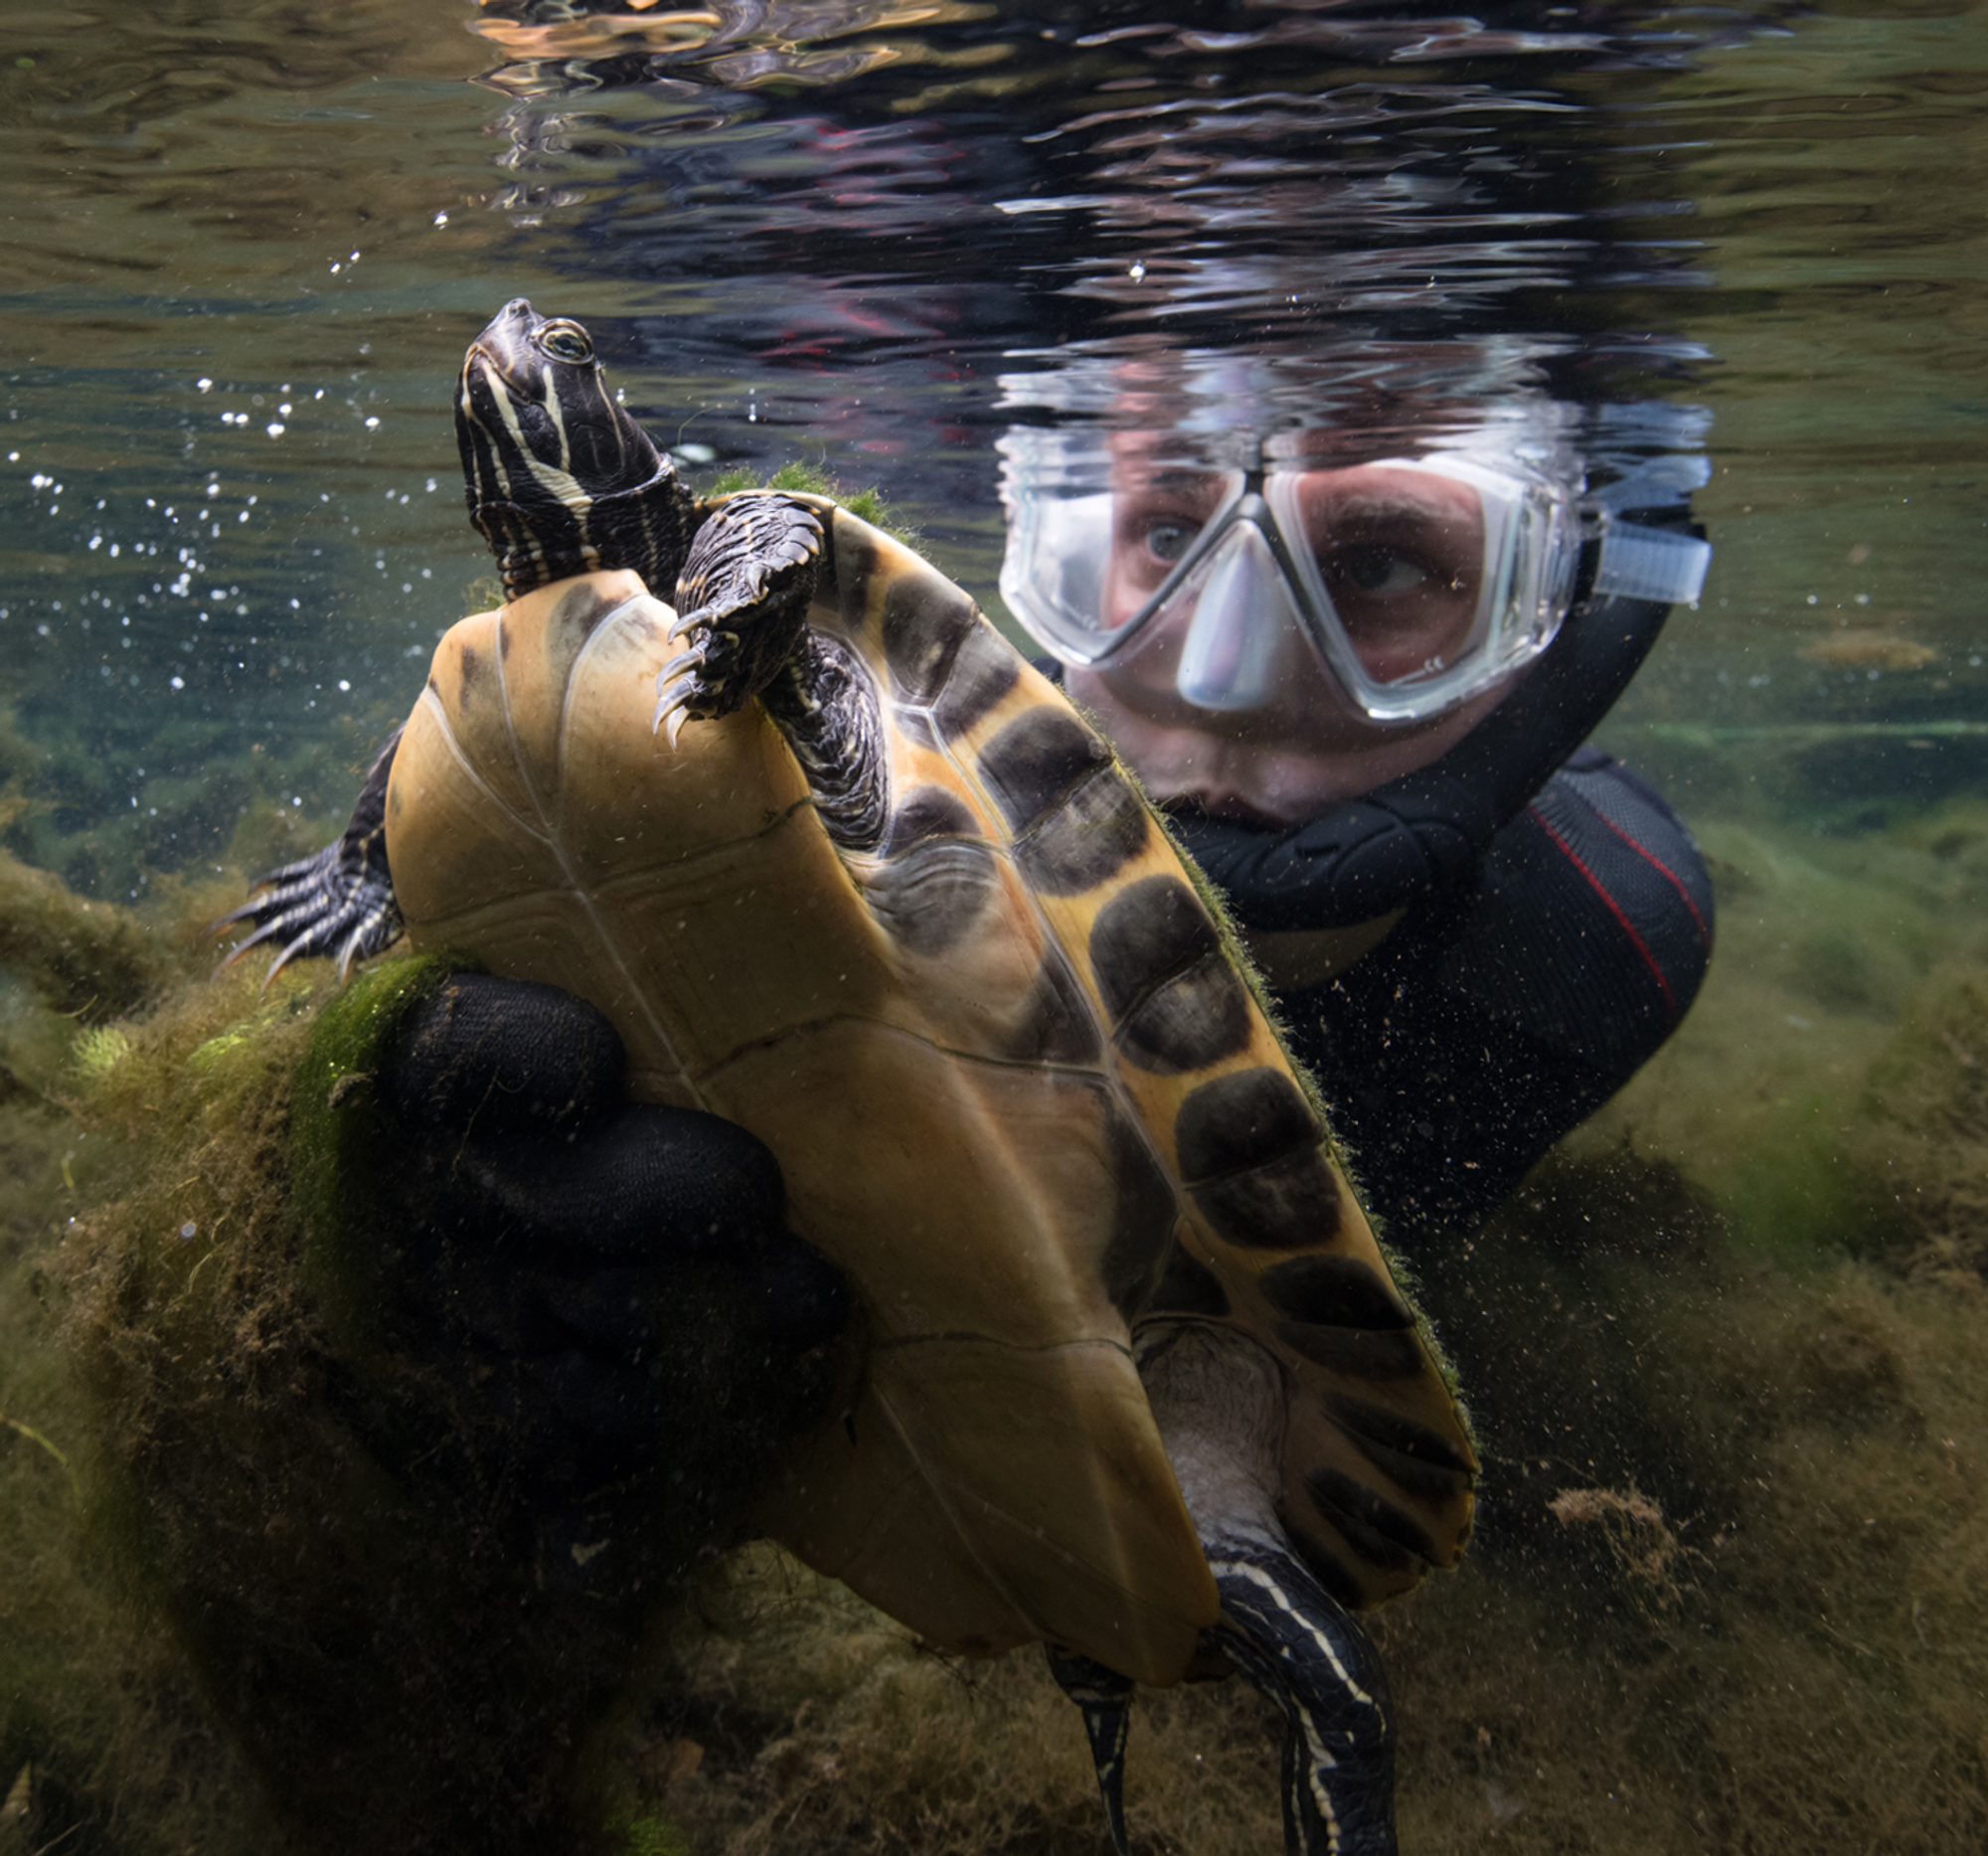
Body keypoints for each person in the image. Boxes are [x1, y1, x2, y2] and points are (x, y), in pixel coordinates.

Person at [997, 347, 1716, 1245]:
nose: (1221, 686)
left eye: (1377, 567)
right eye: (1167, 538)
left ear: (1560, 652)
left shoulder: (1607, 945)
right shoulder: (874, 799)